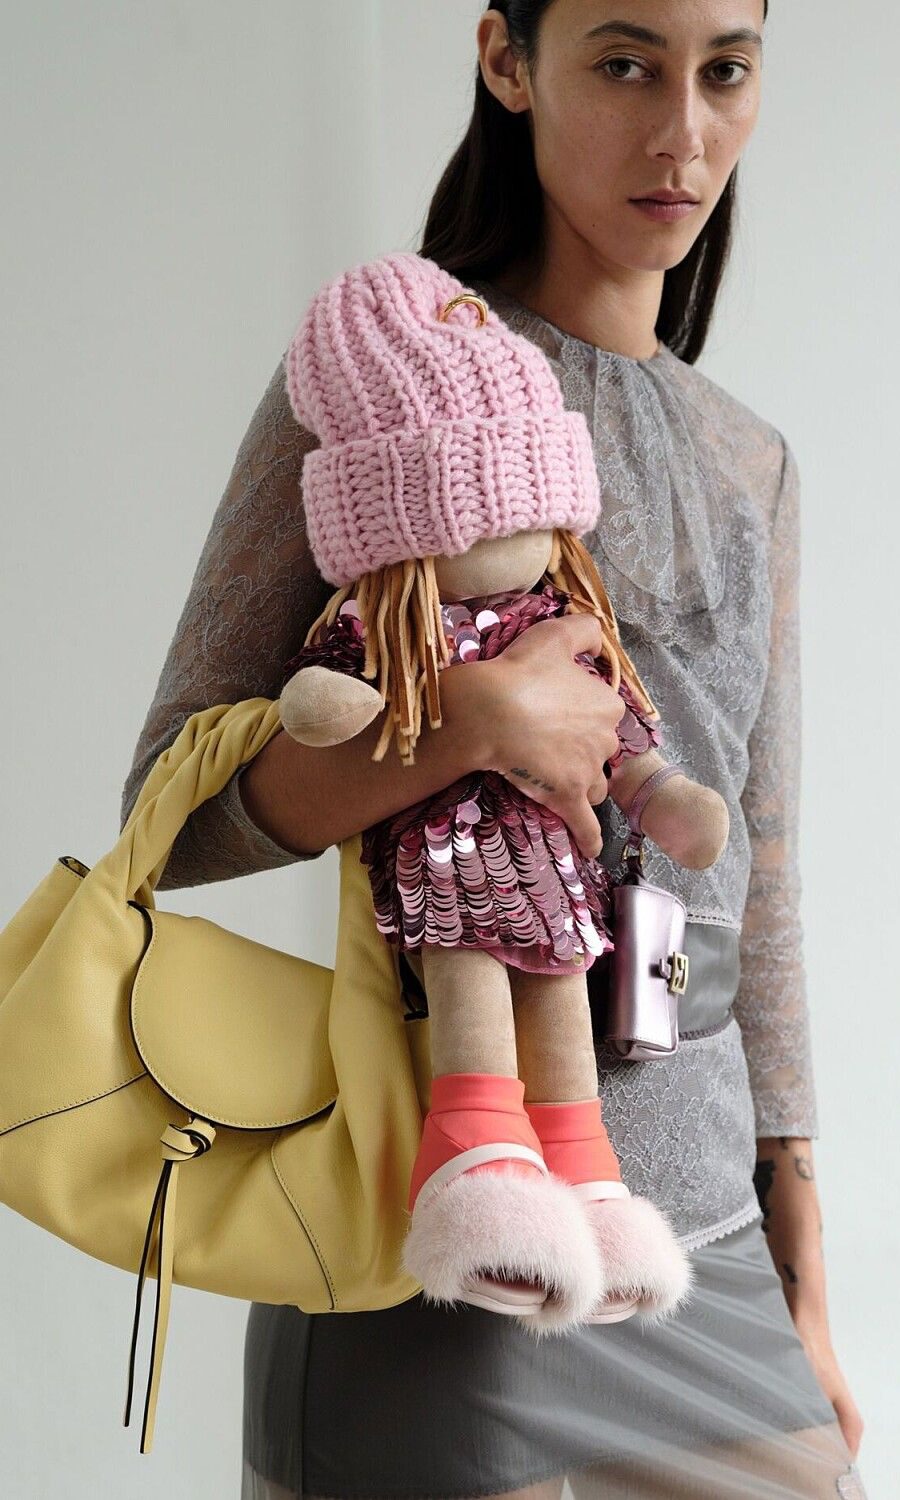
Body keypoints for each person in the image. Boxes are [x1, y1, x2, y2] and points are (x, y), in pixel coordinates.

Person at [119, 3, 867, 1496]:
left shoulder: (752, 459)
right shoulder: (390, 382)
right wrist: (466, 725)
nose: (683, 131)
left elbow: (760, 878)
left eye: (725, 70)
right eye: (625, 63)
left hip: (701, 1248)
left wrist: (805, 1267)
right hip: (447, 1239)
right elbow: (168, 809)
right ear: (507, 60)